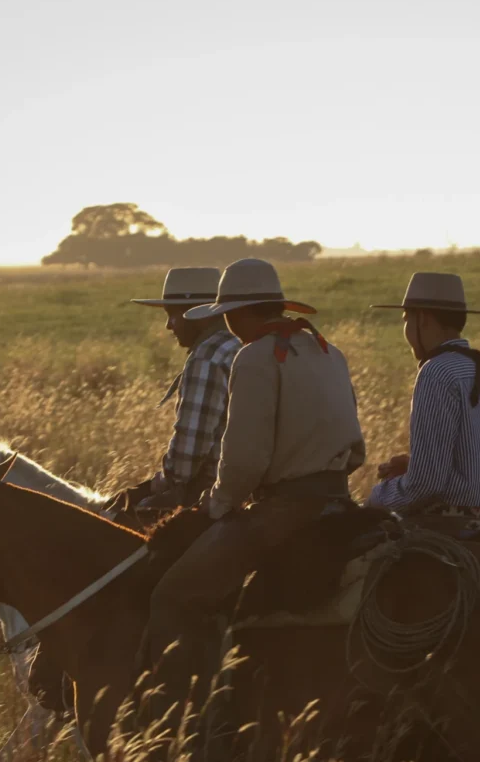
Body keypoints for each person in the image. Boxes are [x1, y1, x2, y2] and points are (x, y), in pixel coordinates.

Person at [145, 258, 366, 670]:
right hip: (340, 499)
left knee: (172, 597)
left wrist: (217, 505)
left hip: (283, 512)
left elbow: (245, 460)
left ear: (239, 313)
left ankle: (183, 722)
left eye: (226, 314)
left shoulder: (255, 358)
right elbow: (356, 452)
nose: (226, 323)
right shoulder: (328, 351)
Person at [367, 272, 480, 531]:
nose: (405, 330)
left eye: (406, 320)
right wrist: (415, 465)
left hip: (441, 527)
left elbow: (425, 486)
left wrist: (379, 496)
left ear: (424, 319)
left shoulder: (435, 372)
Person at [118, 267, 241, 513]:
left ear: (199, 314)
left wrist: (152, 488)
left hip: (212, 491)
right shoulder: (237, 344)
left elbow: (187, 456)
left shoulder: (207, 357)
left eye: (172, 314)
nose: (168, 326)